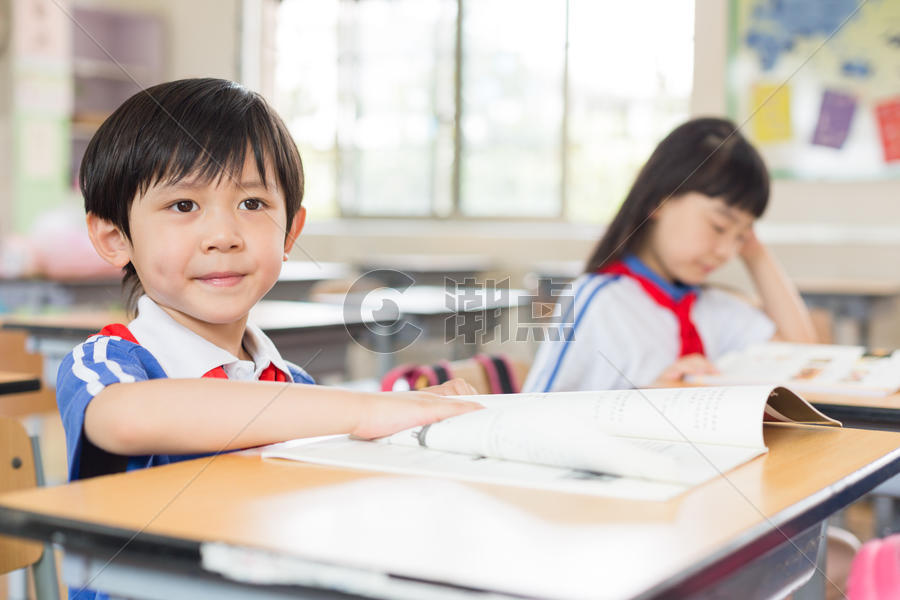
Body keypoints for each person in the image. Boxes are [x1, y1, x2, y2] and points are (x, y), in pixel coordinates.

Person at [57, 78, 481, 489]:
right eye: (183, 204)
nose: (223, 236)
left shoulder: (292, 384)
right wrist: (366, 407)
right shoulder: (107, 363)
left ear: (289, 233)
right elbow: (128, 419)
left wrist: (411, 413)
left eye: (252, 203)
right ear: (115, 239)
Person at [524, 117, 817, 393]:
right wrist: (651, 397)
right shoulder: (598, 300)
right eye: (719, 226)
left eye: (741, 237)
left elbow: (801, 356)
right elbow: (531, 420)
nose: (727, 252)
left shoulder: (709, 307)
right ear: (658, 201)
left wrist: (756, 254)